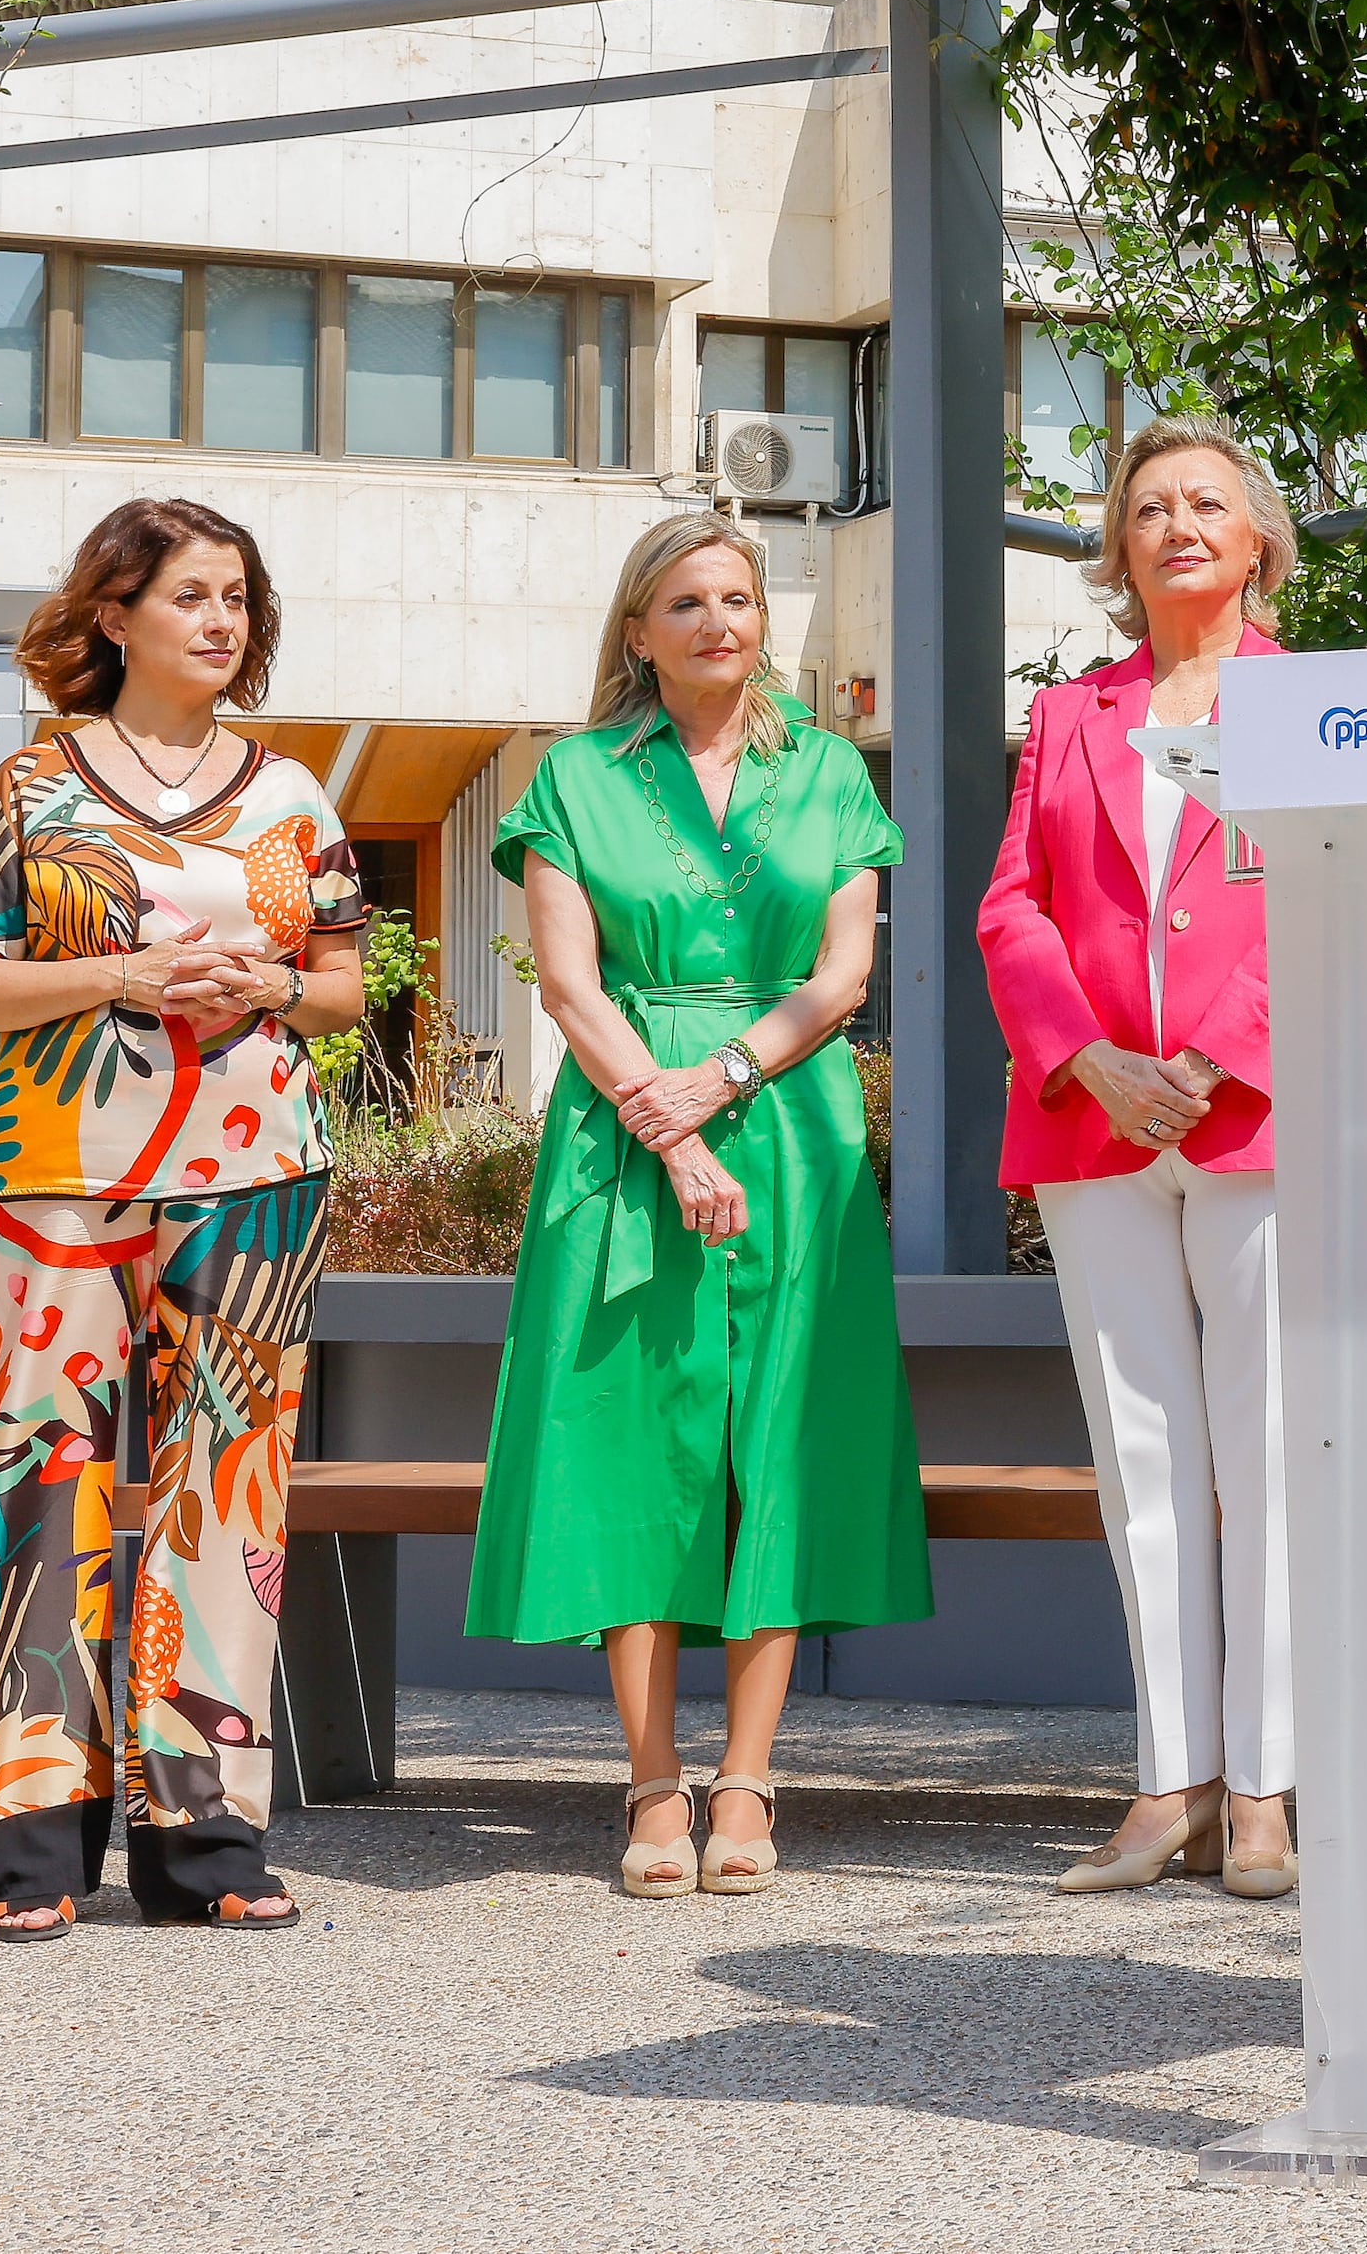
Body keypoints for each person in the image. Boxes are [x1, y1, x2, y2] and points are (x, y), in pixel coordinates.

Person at [0, 497, 372, 1939]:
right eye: (192, 593)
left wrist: (271, 989)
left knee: (228, 1494)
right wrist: (113, 976)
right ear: (114, 614)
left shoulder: (293, 794)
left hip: (258, 1175)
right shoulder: (31, 784)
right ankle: (24, 1839)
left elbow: (347, 986)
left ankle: (206, 1840)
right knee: (37, 1481)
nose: (224, 619)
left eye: (239, 594)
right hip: (50, 1171)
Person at [466, 513, 925, 1899]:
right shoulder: (573, 778)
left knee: (780, 1437)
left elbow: (842, 976)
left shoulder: (833, 767)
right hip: (621, 1130)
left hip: (791, 1124)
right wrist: (665, 1126)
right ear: (638, 632)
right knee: (636, 1444)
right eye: (688, 600)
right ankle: (652, 1779)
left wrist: (713, 1086)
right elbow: (568, 984)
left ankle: (751, 1777)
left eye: (738, 596)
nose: (721, 618)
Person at [980, 417, 1300, 1900]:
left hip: (1259, 1113)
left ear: (1256, 538)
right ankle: (1168, 1778)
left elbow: (1334, 893)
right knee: (1143, 1455)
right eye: (1149, 505)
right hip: (1090, 1121)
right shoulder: (1068, 717)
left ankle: (1267, 1788)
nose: (1177, 523)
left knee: (1269, 1452)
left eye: (1206, 503)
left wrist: (1212, 1057)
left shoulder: (1318, 704)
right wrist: (1089, 1055)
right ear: (1118, 544)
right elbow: (1011, 910)